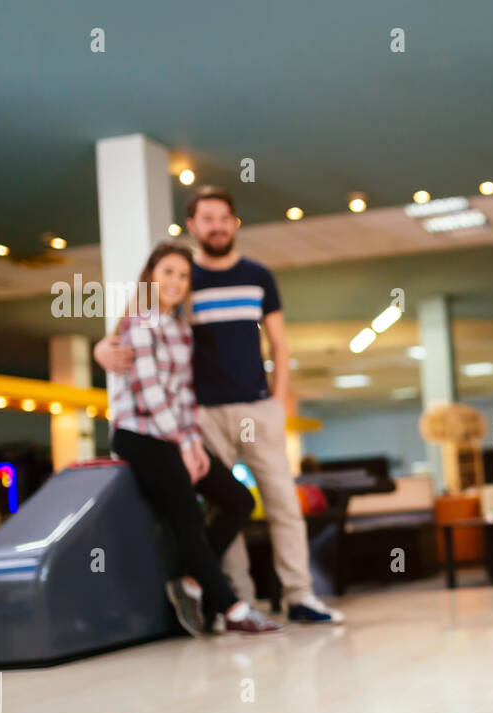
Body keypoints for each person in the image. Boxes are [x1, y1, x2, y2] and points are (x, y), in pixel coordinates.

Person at [96, 186, 343, 625]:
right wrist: (101, 351)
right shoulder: (185, 277)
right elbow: (131, 334)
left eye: (223, 218)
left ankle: (299, 596)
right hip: (203, 415)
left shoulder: (257, 276)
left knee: (281, 503)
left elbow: (280, 344)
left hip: (252, 409)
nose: (216, 226)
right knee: (222, 506)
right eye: (207, 219)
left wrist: (278, 400)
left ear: (234, 223)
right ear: (192, 226)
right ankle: (232, 600)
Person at [106, 241, 283, 637]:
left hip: (176, 435)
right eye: (168, 272)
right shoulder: (138, 322)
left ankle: (190, 583)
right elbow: (150, 392)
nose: (175, 281)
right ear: (151, 275)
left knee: (239, 499)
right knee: (187, 514)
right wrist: (184, 445)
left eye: (183, 275)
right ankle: (234, 609)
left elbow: (184, 394)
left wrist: (192, 443)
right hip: (140, 435)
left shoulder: (180, 330)